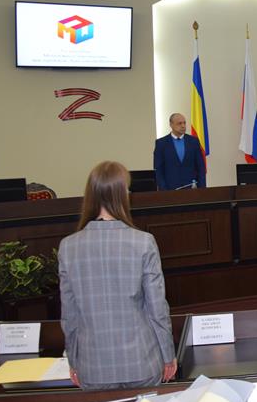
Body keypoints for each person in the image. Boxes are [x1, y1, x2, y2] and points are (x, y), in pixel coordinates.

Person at [58, 161, 177, 390]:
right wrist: (168, 355)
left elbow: (69, 316)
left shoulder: (68, 247)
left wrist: (73, 360)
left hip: (92, 368)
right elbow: (157, 309)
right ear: (122, 195)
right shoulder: (143, 242)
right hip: (141, 363)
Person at [153, 113, 206, 190]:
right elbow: (158, 170)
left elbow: (201, 167)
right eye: (179, 123)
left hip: (191, 189)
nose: (183, 126)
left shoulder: (193, 141)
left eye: (184, 123)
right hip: (170, 190)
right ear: (171, 124)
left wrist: (202, 189)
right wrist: (164, 190)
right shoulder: (161, 143)